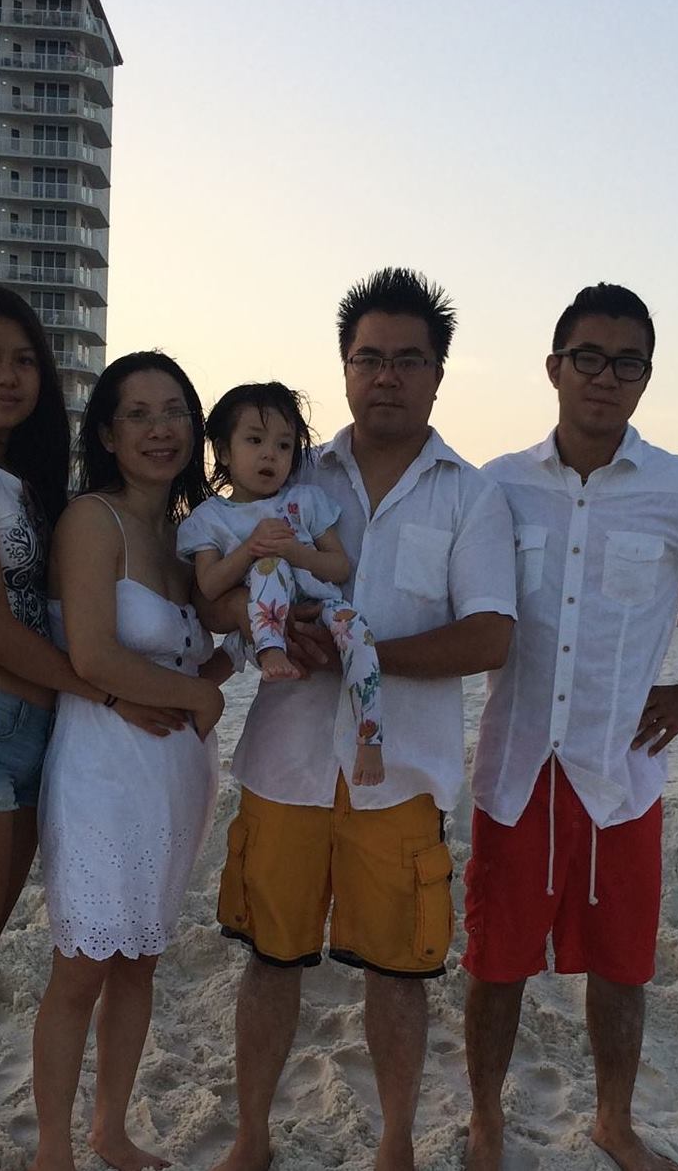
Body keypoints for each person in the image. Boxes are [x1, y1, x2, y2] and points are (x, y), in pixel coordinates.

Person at [208, 268, 517, 1171]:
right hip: (286, 760)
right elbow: (216, 584)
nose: (387, 375)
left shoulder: (470, 494)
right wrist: (265, 625)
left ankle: (393, 1146)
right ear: (343, 367)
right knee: (269, 958)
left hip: (403, 772)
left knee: (399, 972)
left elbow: (490, 634)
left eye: (408, 359)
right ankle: (252, 1138)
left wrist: (361, 649)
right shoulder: (290, 471)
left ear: (437, 375)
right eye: (369, 357)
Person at [463, 284, 678, 1171]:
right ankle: (485, 1121)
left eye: (626, 362)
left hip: (620, 773)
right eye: (588, 357)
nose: (605, 376)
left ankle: (613, 1121)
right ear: (554, 367)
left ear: (644, 377)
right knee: (494, 961)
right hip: (515, 768)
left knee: (622, 964)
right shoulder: (497, 485)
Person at [0, 286, 151, 1171]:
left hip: (27, 733)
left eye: (23, 360)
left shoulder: (13, 476)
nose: (8, 376)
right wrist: (104, 691)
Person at [30, 352, 231, 1171]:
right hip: (103, 770)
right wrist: (198, 697)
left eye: (174, 410)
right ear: (108, 434)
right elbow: (93, 653)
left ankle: (109, 1129)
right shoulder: (93, 520)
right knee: (81, 965)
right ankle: (52, 1149)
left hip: (175, 777)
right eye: (139, 414)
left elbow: (201, 654)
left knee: (140, 959)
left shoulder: (188, 538)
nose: (160, 429)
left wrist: (222, 674)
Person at [178, 380, 385, 786]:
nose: (270, 454)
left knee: (360, 634)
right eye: (255, 440)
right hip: (259, 620)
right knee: (267, 568)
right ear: (223, 451)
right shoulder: (210, 519)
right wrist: (251, 549)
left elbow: (339, 567)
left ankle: (370, 739)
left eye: (284, 445)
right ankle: (267, 652)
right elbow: (210, 585)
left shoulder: (304, 501)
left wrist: (295, 552)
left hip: (318, 604)